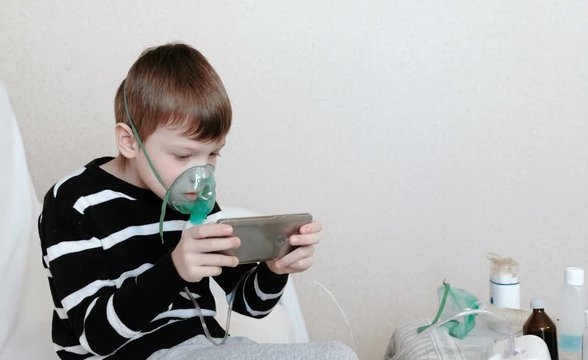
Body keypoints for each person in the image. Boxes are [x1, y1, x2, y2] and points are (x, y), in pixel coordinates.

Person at [39, 43, 358, 360]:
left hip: (205, 347)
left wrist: (275, 268)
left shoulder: (193, 202)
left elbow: (248, 305)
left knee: (337, 354)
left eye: (212, 155)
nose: (200, 175)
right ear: (130, 141)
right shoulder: (73, 201)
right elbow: (96, 337)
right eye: (182, 155)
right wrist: (174, 269)